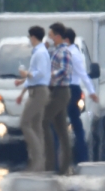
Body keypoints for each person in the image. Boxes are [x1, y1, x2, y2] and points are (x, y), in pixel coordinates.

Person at [15, 26, 51, 172]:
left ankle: (38, 158)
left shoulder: (40, 53)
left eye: (30, 37)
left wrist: (26, 74)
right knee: (36, 126)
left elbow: (40, 74)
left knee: (25, 123)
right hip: (37, 90)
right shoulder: (39, 52)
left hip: (39, 92)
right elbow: (36, 75)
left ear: (34, 37)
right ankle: (38, 165)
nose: (29, 40)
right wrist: (23, 82)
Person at [63, 28, 99, 165]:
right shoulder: (69, 53)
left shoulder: (73, 54)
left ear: (67, 40)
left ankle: (81, 157)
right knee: (74, 124)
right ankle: (80, 157)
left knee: (74, 125)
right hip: (69, 89)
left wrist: (92, 92)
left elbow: (83, 74)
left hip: (72, 90)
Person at [42, 22, 73, 175]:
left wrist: (50, 77)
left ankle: (50, 165)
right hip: (56, 91)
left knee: (44, 120)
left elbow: (65, 71)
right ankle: (64, 168)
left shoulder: (65, 52)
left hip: (61, 92)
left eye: (51, 35)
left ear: (58, 36)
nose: (50, 37)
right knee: (61, 130)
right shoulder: (55, 51)